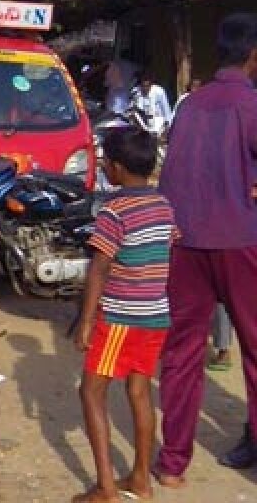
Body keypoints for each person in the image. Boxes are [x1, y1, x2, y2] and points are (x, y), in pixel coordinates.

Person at [154, 12, 257, 490]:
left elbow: (174, 172)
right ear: (254, 54)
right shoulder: (250, 105)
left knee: (181, 352)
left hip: (185, 242)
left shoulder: (190, 106)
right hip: (240, 242)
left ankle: (173, 464)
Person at [72, 127, 176, 502]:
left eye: (104, 160)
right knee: (139, 391)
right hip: (155, 316)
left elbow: (99, 267)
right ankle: (141, 481)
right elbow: (167, 248)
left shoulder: (114, 210)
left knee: (91, 392)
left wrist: (86, 321)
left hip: (120, 317)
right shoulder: (164, 205)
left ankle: (105, 488)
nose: (102, 165)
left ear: (115, 168)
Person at [129, 71, 172, 136]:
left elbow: (166, 110)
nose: (145, 88)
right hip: (142, 125)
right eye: (143, 86)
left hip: (158, 123)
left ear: (151, 84)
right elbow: (131, 109)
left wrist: (167, 126)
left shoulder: (159, 91)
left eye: (147, 86)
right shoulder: (136, 92)